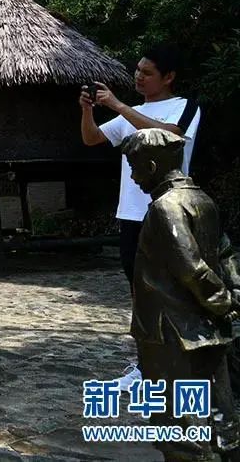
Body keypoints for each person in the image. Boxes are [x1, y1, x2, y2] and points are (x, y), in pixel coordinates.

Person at [80, 43, 201, 388]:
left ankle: (181, 362)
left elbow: (169, 136)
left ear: (169, 77)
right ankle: (144, 364)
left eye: (147, 72)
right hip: (131, 216)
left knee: (173, 291)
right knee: (139, 293)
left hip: (170, 213)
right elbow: (91, 139)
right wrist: (88, 110)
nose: (138, 77)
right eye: (137, 70)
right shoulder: (128, 114)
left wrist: (117, 105)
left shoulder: (185, 108)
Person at [123, 129, 237, 461]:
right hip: (207, 328)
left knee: (179, 425)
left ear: (153, 165)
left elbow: (191, 267)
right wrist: (230, 300)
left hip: (170, 330)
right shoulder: (202, 199)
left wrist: (223, 302)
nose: (133, 176)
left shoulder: (165, 207)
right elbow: (225, 253)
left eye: (135, 166)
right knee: (220, 415)